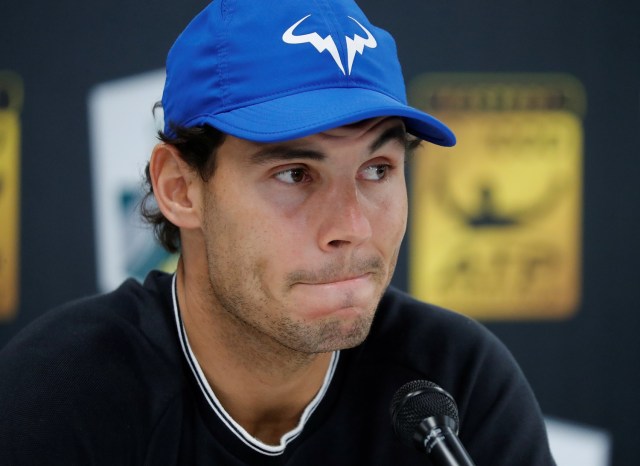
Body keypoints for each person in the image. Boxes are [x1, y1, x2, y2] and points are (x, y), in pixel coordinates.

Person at [0, 0, 556, 464]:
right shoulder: (56, 401)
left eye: (377, 170)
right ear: (179, 188)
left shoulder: (457, 385)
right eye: (294, 174)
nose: (352, 227)